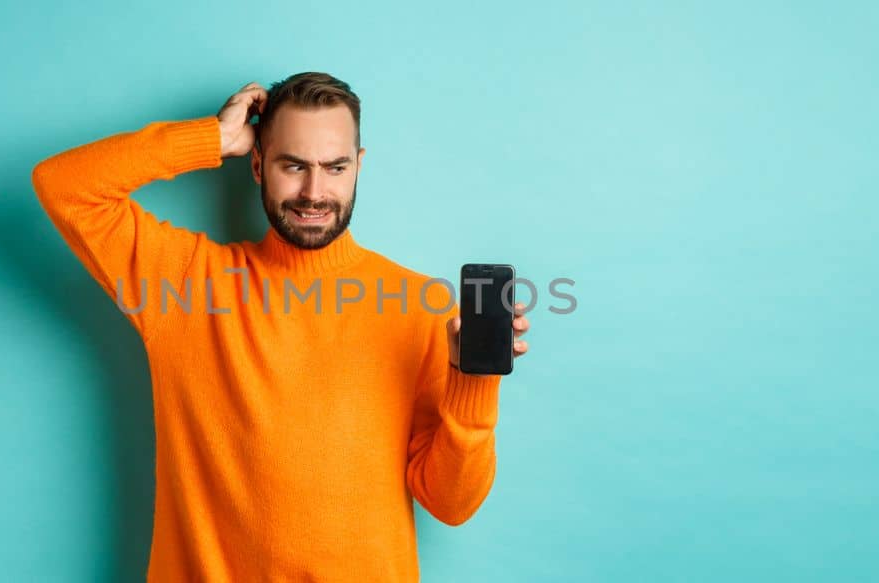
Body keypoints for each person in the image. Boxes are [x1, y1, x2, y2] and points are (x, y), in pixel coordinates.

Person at [31, 71, 531, 582]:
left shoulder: (421, 306)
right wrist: (212, 138)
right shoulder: (182, 286)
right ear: (256, 164)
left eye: (335, 167)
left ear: (358, 167)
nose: (315, 192)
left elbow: (451, 504)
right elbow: (64, 185)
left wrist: (474, 382)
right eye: (293, 165)